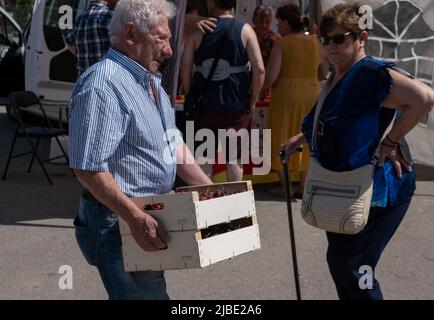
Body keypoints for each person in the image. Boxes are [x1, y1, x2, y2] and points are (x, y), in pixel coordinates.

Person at [280, 3, 434, 300]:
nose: (330, 47)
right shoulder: (338, 75)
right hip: (342, 188)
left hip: (379, 190)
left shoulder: (371, 73)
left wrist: (391, 142)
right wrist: (300, 138)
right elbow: (335, 118)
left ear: (361, 38)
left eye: (339, 39)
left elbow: (424, 98)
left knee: (352, 265)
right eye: (325, 40)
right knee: (342, 263)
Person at [68, 0, 213, 300]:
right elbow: (88, 167)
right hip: (119, 221)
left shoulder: (150, 82)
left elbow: (170, 141)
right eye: (161, 38)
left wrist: (209, 189)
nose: (169, 50)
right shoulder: (103, 84)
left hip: (142, 216)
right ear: (131, 34)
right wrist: (134, 217)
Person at [181, 0, 265, 182]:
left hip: (204, 106)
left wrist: (190, 93)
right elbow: (259, 69)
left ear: (211, 3)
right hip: (237, 106)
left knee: (204, 159)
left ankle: (207, 204)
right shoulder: (245, 29)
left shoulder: (200, 30)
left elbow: (185, 65)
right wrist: (253, 100)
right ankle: (236, 206)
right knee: (234, 160)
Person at [262, 4, 327, 197]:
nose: (277, 26)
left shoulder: (282, 44)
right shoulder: (316, 42)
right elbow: (324, 73)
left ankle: (286, 187)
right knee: (305, 137)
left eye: (278, 22)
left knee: (281, 137)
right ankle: (304, 186)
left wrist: (262, 88)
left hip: (286, 96)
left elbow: (272, 76)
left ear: (285, 22)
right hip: (311, 94)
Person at [63, 0, 119, 76]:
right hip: (105, 78)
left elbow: (68, 39)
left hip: (83, 81)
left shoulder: (79, 19)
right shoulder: (109, 15)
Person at [252, 5, 279, 70]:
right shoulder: (247, 36)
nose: (264, 25)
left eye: (267, 22)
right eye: (261, 21)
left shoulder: (275, 40)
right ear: (254, 21)